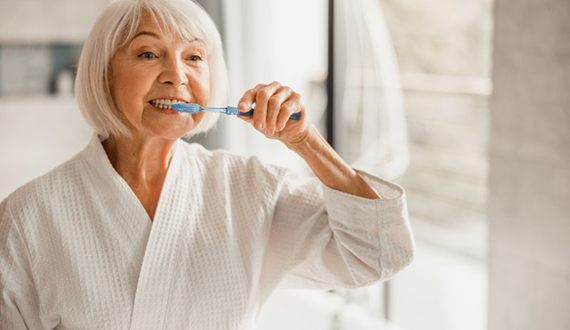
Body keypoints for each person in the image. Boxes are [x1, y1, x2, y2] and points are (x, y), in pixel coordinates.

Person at [0, 0, 415, 329]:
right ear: (102, 74)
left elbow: (380, 254)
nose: (176, 75)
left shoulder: (251, 188)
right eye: (148, 53)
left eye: (195, 57)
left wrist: (306, 142)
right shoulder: (27, 216)